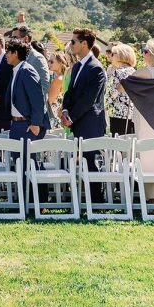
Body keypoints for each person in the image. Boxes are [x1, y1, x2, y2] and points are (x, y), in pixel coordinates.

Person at [119, 39, 154, 202]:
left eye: (145, 51)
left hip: (146, 120)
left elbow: (121, 87)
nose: (143, 54)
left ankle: (152, 199)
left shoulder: (147, 72)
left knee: (148, 158)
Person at [60, 28, 107, 198]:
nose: (70, 45)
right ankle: (86, 199)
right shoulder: (78, 65)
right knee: (84, 163)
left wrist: (71, 117)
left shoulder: (96, 68)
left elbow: (89, 99)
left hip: (90, 124)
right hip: (78, 121)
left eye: (73, 42)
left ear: (84, 44)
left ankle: (96, 202)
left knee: (92, 163)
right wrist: (65, 110)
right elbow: (69, 93)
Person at [4, 38, 47, 147]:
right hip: (16, 124)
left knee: (28, 162)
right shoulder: (17, 70)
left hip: (27, 125)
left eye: (8, 52)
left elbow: (37, 99)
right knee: (18, 162)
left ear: (15, 53)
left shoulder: (26, 70)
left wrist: (35, 123)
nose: (6, 55)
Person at [105, 43, 138, 135]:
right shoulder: (134, 71)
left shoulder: (117, 72)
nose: (111, 56)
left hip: (117, 114)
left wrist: (104, 105)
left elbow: (111, 94)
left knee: (117, 146)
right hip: (132, 114)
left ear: (121, 55)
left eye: (113, 53)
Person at [46, 50, 69, 129]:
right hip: (60, 117)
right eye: (48, 61)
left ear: (60, 63)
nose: (49, 64)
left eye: (51, 62)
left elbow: (49, 101)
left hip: (54, 118)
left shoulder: (58, 79)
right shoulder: (64, 77)